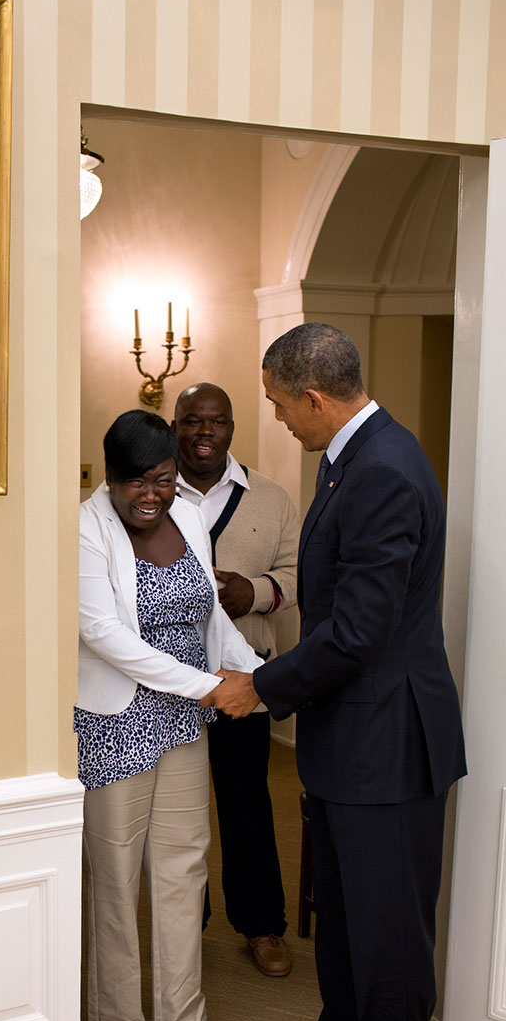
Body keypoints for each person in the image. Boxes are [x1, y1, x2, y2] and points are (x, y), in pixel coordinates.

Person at [212, 323, 466, 1021]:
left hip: (389, 744)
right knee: (349, 921)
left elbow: (357, 631)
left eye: (283, 407)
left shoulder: (386, 470)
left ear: (315, 398)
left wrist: (263, 683)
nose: (280, 421)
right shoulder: (349, 457)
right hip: (350, 737)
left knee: (389, 931)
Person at [77, 410, 262, 1021]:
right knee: (117, 876)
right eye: (135, 483)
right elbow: (106, 636)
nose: (150, 495)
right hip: (117, 720)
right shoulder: (85, 529)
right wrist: (208, 688)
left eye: (161, 479)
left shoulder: (186, 515)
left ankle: (184, 1015)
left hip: (185, 719)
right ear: (109, 478)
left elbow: (208, 615)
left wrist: (255, 675)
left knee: (184, 867)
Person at [173, 382, 298, 977]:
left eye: (216, 421)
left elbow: (299, 575)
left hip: (243, 682)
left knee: (246, 804)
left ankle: (263, 927)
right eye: (192, 421)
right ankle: (183, 927)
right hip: (168, 688)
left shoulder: (271, 499)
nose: (204, 432)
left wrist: (256, 592)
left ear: (231, 427)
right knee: (178, 814)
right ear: (175, 426)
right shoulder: (147, 493)